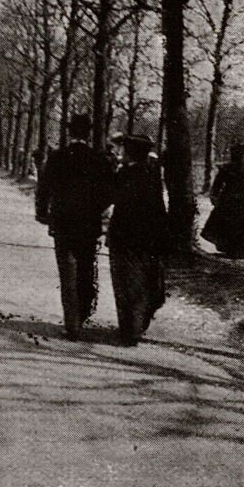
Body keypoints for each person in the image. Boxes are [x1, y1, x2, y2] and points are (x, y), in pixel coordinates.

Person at [35, 113, 115, 340]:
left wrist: (42, 213)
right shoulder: (98, 159)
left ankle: (72, 325)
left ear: (70, 132)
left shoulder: (57, 157)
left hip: (62, 222)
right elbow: (109, 192)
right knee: (87, 269)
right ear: (89, 133)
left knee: (67, 271)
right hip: (88, 224)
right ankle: (83, 316)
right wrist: (96, 210)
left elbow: (43, 188)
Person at [107, 134, 169, 347]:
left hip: (122, 237)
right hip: (146, 238)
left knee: (123, 282)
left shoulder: (124, 174)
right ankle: (137, 324)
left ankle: (129, 328)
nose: (120, 154)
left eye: (124, 150)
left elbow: (111, 196)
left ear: (130, 152)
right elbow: (159, 209)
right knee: (142, 280)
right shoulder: (152, 175)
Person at [201, 143, 244, 258]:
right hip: (241, 199)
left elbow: (217, 185)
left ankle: (232, 247)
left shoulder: (227, 168)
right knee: (239, 223)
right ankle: (239, 248)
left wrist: (215, 196)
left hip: (229, 198)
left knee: (230, 223)